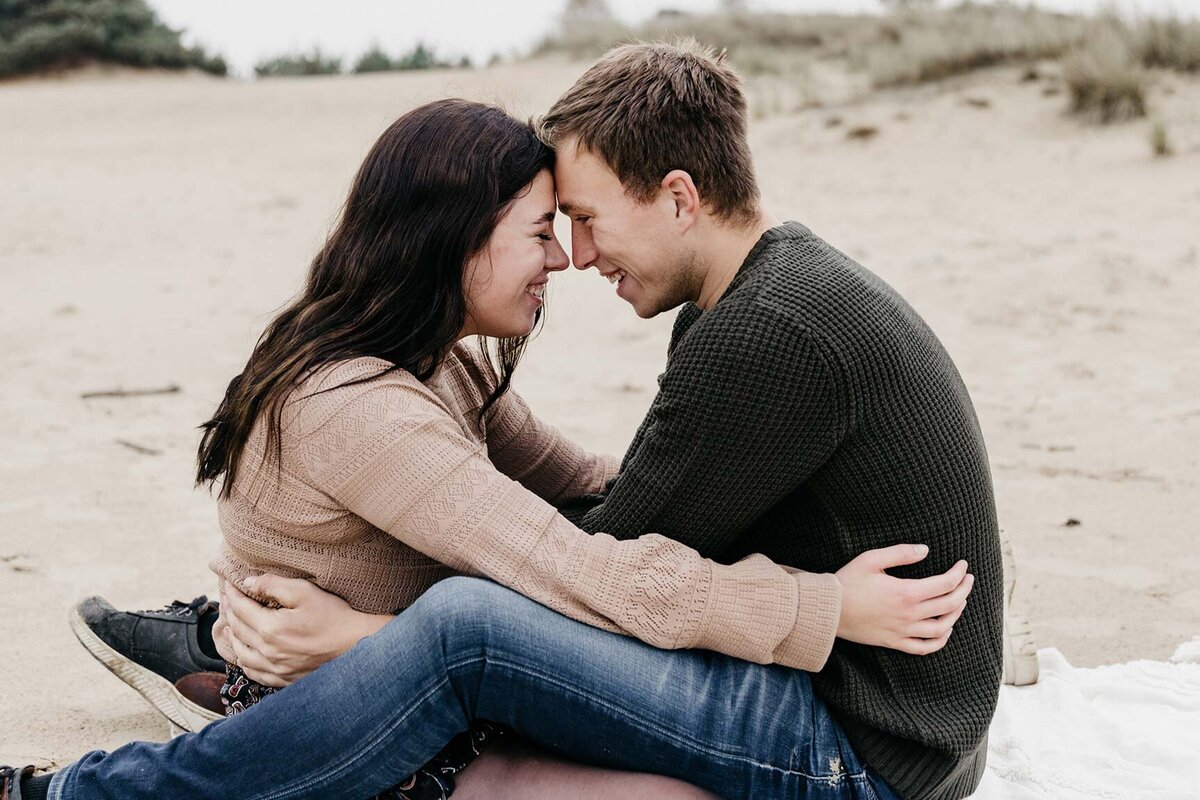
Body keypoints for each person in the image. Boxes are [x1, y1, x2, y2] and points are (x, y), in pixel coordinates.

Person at [3, 75, 979, 800]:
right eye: (548, 228)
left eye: (578, 221)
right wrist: (816, 605)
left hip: (423, 677)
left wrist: (370, 635)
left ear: (681, 195)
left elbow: (589, 494)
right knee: (472, 617)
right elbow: (583, 566)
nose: (569, 256)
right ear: (455, 241)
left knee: (481, 617)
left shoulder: (454, 360)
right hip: (374, 704)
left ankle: (228, 649)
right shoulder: (362, 403)